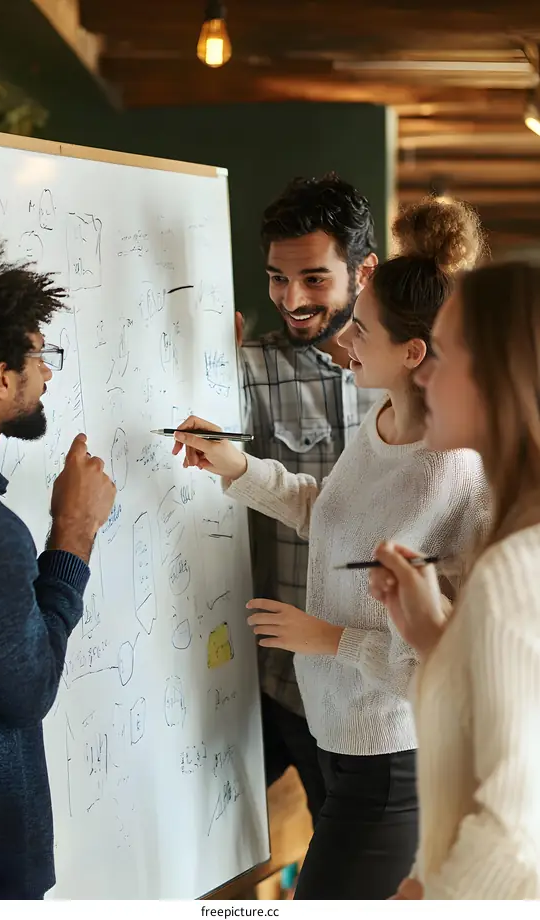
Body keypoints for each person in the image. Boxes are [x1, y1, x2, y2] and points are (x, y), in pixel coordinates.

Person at [173, 198, 491, 899]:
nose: (346, 343)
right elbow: (327, 512)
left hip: (394, 763)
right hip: (338, 741)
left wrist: (331, 639)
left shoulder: (456, 470)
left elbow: (457, 663)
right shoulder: (380, 421)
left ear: (412, 353)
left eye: (363, 332)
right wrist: (234, 466)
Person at [0, 236, 116, 899]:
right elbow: (27, 690)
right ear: (1, 378)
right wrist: (74, 531)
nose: (48, 374)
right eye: (41, 358)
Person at [369, 261, 540, 900]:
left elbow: (517, 828)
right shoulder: (513, 544)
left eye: (439, 352)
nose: (424, 372)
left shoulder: (514, 571)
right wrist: (434, 638)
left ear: (500, 373)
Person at [238, 173, 380, 823]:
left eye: (314, 279)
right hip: (276, 688)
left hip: (378, 696)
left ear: (363, 272)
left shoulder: (416, 378)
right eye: (276, 277)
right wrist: (199, 366)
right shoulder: (252, 368)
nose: (290, 299)